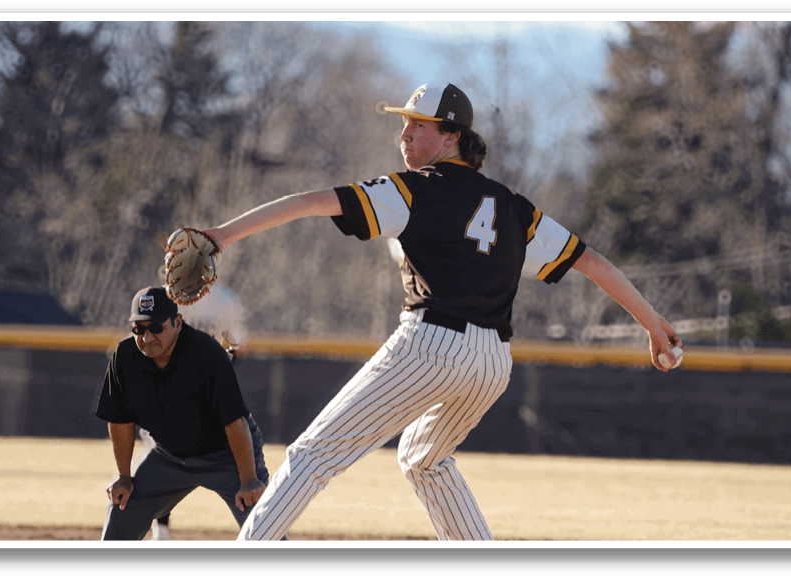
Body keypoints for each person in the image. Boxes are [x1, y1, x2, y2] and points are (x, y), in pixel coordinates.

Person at [197, 82, 681, 541]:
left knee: (313, 454)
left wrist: (221, 235)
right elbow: (590, 262)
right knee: (424, 458)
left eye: (419, 124)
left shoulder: (412, 189)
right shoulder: (514, 207)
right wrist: (654, 326)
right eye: (403, 124)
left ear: (452, 136)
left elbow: (309, 202)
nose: (404, 133)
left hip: (431, 346)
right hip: (492, 362)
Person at [95, 286, 275, 540]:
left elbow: (235, 422)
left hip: (227, 455)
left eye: (156, 327)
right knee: (122, 511)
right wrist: (124, 476)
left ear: (177, 322)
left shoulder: (207, 353)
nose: (147, 337)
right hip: (168, 457)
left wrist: (248, 479)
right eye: (139, 328)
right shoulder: (125, 357)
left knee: (265, 528)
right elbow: (120, 421)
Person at [136, 283, 250, 540]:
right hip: (201, 393)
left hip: (171, 391)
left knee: (158, 455)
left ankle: (161, 530)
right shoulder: (226, 299)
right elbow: (238, 348)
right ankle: (261, 528)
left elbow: (143, 345)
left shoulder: (158, 298)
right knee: (236, 464)